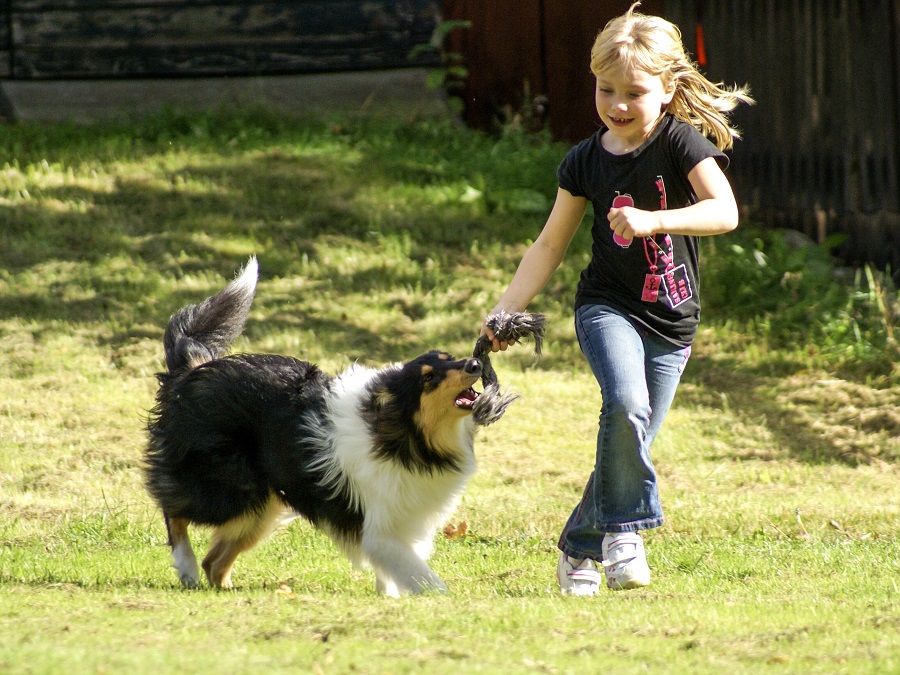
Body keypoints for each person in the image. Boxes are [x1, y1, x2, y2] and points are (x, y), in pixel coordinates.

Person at [480, 3, 753, 595]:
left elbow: (725, 212)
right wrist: (505, 311)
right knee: (625, 406)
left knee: (630, 446)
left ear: (667, 87)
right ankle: (625, 537)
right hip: (606, 306)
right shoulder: (583, 160)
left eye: (634, 91)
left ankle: (578, 551)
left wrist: (654, 220)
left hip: (673, 322)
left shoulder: (680, 143)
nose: (618, 105)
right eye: (607, 89)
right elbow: (550, 245)